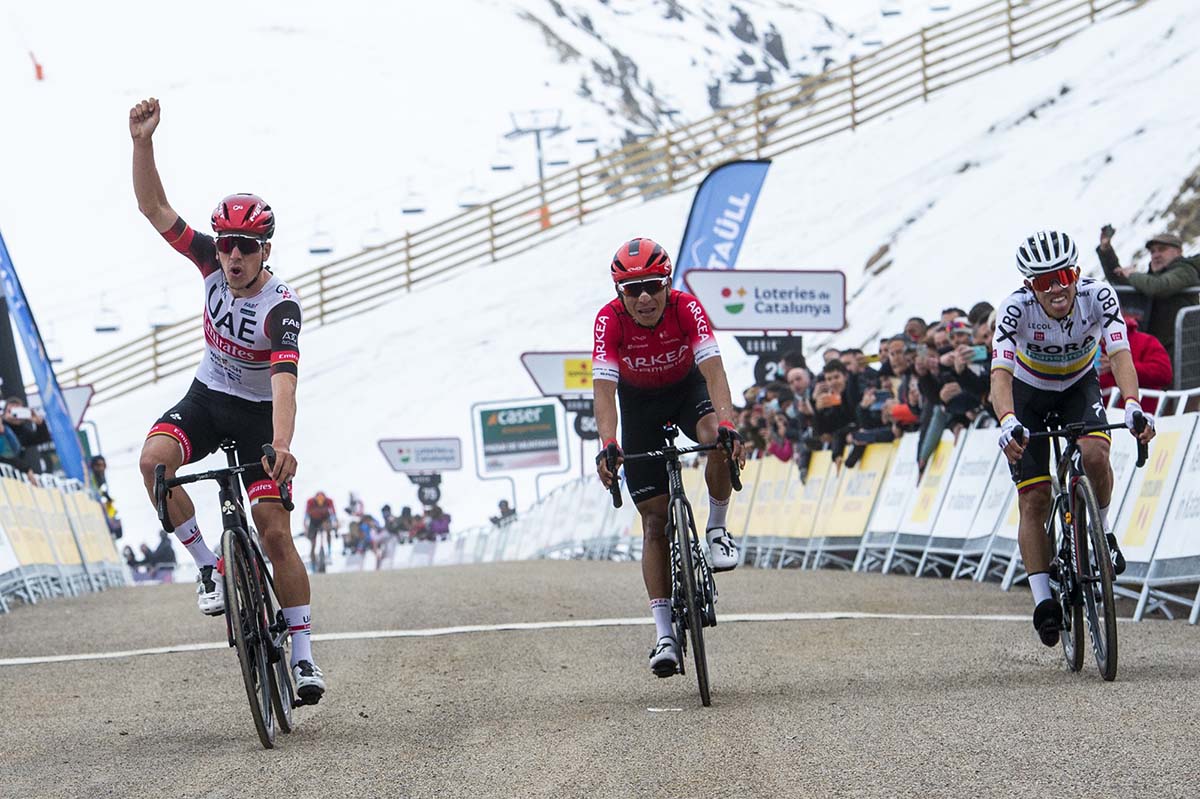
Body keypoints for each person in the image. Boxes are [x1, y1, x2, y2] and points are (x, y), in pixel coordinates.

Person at [129, 97, 324, 703]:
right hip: (208, 399)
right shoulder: (209, 260)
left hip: (260, 416)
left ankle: (302, 654)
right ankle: (209, 564)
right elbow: (153, 207)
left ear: (266, 249)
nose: (233, 255)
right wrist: (142, 144)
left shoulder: (280, 306)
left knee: (274, 532)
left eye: (246, 246)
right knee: (152, 464)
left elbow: (285, 381)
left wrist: (283, 445)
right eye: (227, 244)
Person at [991, 230, 1156, 649]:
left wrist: (1133, 403)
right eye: (1046, 281)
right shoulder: (1014, 309)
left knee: (1096, 453)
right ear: (1031, 286)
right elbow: (1000, 375)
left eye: (1065, 275)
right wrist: (1008, 419)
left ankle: (1100, 533)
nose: (1058, 287)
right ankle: (1044, 599)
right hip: (1028, 394)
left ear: (1076, 273)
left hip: (1079, 386)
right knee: (1035, 497)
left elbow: (1120, 354)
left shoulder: (1098, 296)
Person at [592, 237, 746, 678]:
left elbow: (714, 372)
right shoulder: (609, 321)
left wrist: (729, 423)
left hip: (686, 392)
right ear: (619, 292)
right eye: (632, 289)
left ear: (667, 283)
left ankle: (716, 530)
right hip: (638, 405)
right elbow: (604, 392)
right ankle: (664, 635)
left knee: (716, 436)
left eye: (653, 286)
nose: (644, 297)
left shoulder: (686, 308)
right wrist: (609, 442)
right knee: (655, 524)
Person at [1098, 228, 1199, 358]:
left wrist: (1133, 274)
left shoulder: (1185, 270)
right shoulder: (1151, 277)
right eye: (1152, 251)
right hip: (1160, 347)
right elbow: (1120, 279)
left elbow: (1158, 287)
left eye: (1162, 249)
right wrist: (1106, 251)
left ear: (1178, 251)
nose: (1156, 255)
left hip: (1183, 347)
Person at [304, 491, 337, 568]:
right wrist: (306, 527)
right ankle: (313, 563)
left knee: (328, 528)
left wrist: (335, 523)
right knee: (313, 543)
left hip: (324, 519)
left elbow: (333, 513)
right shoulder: (310, 502)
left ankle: (329, 550)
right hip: (313, 521)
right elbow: (306, 515)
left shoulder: (329, 501)